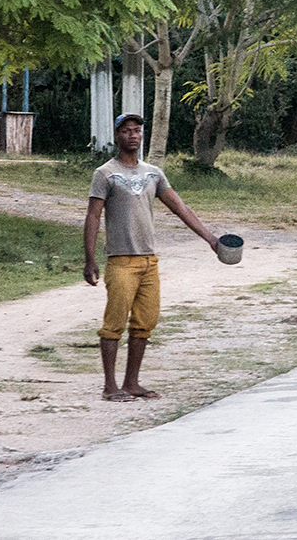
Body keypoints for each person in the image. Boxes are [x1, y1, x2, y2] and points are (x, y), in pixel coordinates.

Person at [84, 113, 219, 401]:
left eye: (137, 131)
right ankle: (110, 387)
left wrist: (211, 238)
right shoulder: (105, 173)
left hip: (149, 261)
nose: (133, 135)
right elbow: (93, 216)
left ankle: (131, 383)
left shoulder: (153, 174)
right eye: (127, 131)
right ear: (117, 136)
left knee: (145, 322)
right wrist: (90, 259)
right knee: (114, 323)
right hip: (120, 260)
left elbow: (179, 207)